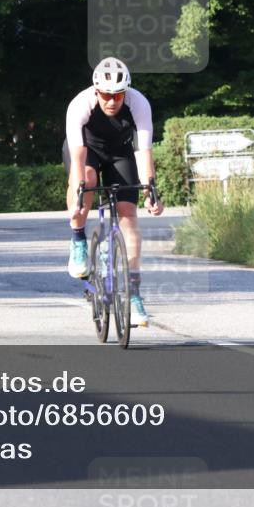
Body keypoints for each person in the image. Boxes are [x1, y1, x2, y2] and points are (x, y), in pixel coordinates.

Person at [65, 57, 164, 326]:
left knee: (128, 213)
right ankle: (78, 240)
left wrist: (150, 192)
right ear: (97, 91)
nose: (112, 101)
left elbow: (143, 152)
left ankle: (133, 294)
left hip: (120, 152)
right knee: (85, 182)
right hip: (87, 151)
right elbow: (77, 158)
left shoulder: (138, 103)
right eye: (107, 95)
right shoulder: (80, 105)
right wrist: (78, 195)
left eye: (118, 95)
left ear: (125, 92)